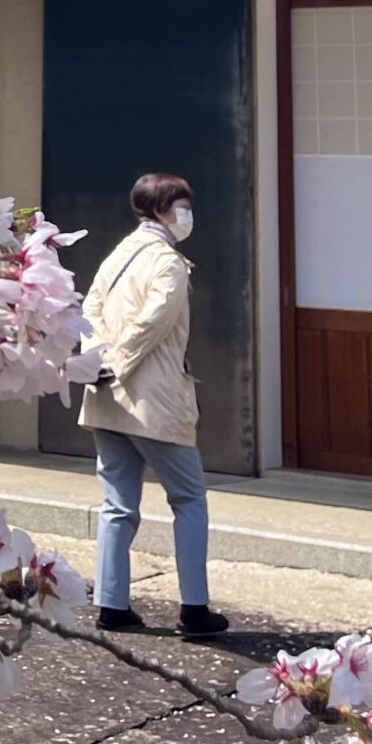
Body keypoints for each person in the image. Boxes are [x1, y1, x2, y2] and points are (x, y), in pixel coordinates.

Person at [78, 171, 229, 637]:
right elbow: (153, 323)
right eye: (183, 206)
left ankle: (112, 603)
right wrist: (119, 362)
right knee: (189, 498)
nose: (188, 215)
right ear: (163, 209)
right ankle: (194, 607)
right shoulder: (167, 263)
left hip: (105, 398)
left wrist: (99, 363)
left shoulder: (119, 254)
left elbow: (90, 311)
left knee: (118, 504)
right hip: (155, 400)